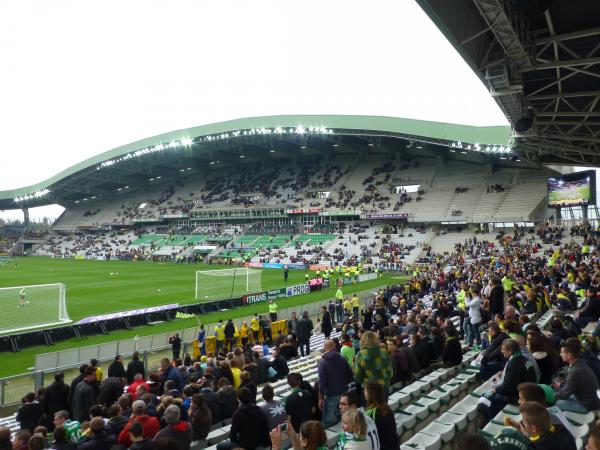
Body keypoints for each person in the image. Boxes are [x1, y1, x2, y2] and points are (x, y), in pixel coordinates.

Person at [478, 338, 537, 421]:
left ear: (510, 351)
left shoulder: (514, 364)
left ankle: (494, 420)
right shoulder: (523, 359)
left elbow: (508, 387)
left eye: (503, 349)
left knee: (484, 399)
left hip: (518, 397)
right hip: (527, 393)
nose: (501, 351)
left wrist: (494, 390)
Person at [554, 338, 600, 413]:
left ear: (569, 355)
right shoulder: (580, 363)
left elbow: (563, 395)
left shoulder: (576, 370)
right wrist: (561, 386)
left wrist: (549, 395)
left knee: (558, 403)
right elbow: (572, 385)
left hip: (589, 405)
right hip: (591, 400)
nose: (560, 354)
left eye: (562, 352)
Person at [318, 339, 355, 428]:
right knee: (344, 416)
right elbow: (350, 375)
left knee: (329, 420)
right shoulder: (342, 358)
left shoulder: (322, 363)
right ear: (334, 346)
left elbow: (322, 382)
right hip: (344, 392)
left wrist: (320, 398)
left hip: (332, 394)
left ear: (325, 348)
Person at [354, 331, 393, 396]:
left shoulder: (361, 354)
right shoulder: (384, 351)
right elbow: (390, 372)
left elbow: (358, 375)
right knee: (383, 405)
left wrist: (364, 382)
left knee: (371, 406)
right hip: (384, 387)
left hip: (369, 389)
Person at [364, 381, 398, 450]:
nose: (364, 393)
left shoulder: (370, 413)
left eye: (365, 390)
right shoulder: (386, 408)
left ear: (371, 394)